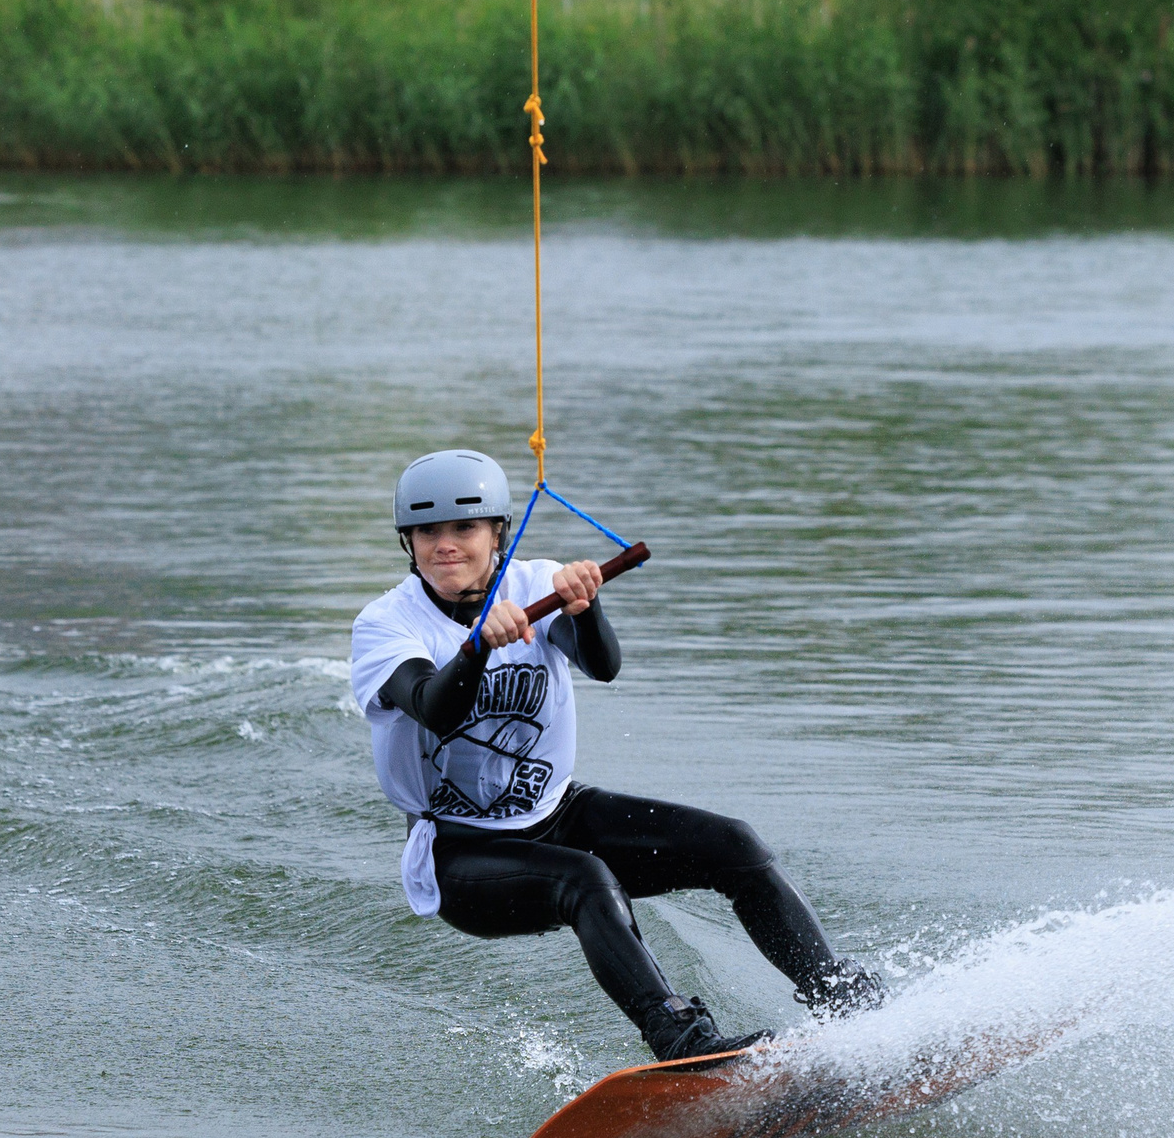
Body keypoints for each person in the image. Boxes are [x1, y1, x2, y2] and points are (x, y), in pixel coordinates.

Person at [349, 449, 885, 1062]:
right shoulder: (385, 625)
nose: (446, 545)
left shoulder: (533, 583)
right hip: (460, 853)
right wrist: (476, 650)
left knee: (736, 846)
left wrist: (586, 606)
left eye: (464, 528)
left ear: (497, 533)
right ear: (407, 541)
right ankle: (682, 1042)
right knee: (586, 877)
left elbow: (603, 666)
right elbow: (433, 706)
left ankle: (849, 1008)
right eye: (427, 531)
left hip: (558, 813)